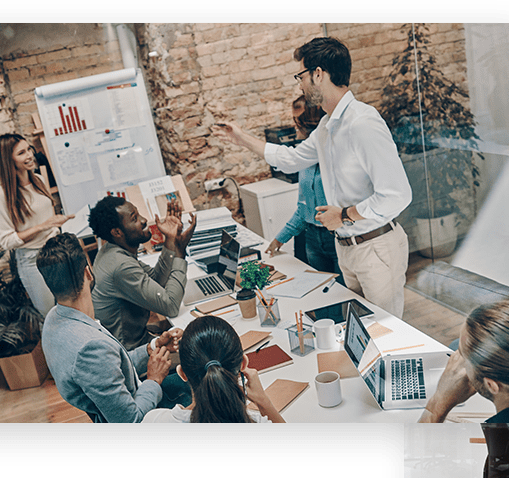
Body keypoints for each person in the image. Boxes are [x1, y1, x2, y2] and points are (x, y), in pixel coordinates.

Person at [214, 37, 412, 318]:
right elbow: (290, 159)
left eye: (301, 76)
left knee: (387, 333)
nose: (300, 85)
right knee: (359, 331)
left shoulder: (363, 122)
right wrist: (242, 138)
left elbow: (397, 194)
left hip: (375, 246)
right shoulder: (325, 126)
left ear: (318, 74)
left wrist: (343, 215)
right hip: (347, 248)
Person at [36, 232, 181, 423]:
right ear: (88, 272)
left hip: (134, 394)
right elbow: (130, 420)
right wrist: (154, 380)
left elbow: (111, 366)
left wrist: (153, 346)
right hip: (144, 411)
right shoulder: (90, 347)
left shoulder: (54, 318)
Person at [88, 196, 196, 351]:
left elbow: (156, 281)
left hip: (138, 339)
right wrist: (179, 253)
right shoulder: (121, 266)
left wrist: (170, 240)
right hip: (130, 353)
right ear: (117, 232)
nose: (144, 220)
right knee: (200, 353)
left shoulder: (111, 251)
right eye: (135, 218)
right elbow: (171, 306)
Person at [142, 315, 286, 423]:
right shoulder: (255, 420)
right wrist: (263, 402)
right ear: (243, 363)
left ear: (182, 373)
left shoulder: (154, 420)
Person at [0, 133, 74, 316]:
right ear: (8, 160)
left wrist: (57, 224)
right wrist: (43, 226)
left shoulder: (39, 180)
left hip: (57, 253)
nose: (29, 155)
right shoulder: (1, 195)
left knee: (72, 310)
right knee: (52, 316)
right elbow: (6, 241)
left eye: (29, 149)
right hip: (32, 261)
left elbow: (48, 220)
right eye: (21, 153)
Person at [264, 96, 343, 284]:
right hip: (313, 239)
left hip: (338, 236)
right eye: (295, 120)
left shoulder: (337, 153)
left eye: (300, 121)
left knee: (345, 295)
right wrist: (279, 239)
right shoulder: (303, 158)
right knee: (322, 295)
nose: (297, 127)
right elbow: (303, 208)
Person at [418, 299, 509, 423]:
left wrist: (438, 403)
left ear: (491, 385)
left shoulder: (494, 435)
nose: (455, 358)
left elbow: (414, 441)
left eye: (462, 355)